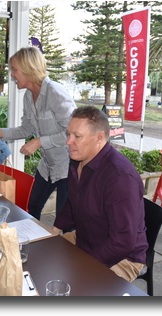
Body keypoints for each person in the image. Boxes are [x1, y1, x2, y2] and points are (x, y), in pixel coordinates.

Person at [0, 46, 76, 220]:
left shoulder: (55, 93)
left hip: (69, 167)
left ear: (29, 69)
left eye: (14, 70)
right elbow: (25, 129)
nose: (12, 75)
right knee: (30, 209)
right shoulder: (28, 96)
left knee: (64, 221)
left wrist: (39, 142)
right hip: (48, 166)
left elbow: (74, 134)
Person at [52, 105, 148, 282]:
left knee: (72, 287)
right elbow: (73, 202)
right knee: (42, 255)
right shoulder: (78, 159)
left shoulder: (119, 177)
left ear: (99, 138)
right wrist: (53, 230)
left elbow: (122, 243)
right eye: (69, 134)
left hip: (123, 258)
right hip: (85, 238)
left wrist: (84, 265)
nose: (68, 142)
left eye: (77, 136)